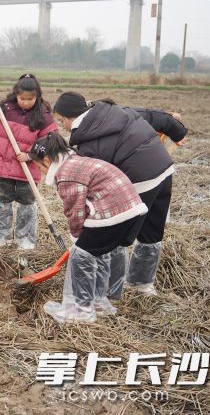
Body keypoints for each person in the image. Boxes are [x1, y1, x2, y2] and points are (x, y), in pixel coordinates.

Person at [53, 92, 174, 297]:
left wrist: (83, 231)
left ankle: (111, 292)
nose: (62, 127)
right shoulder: (113, 110)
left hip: (139, 180)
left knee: (118, 235)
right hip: (164, 170)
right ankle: (141, 284)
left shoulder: (88, 141)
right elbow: (157, 117)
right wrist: (178, 132)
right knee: (151, 231)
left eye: (61, 121)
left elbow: (96, 184)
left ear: (68, 118)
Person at [29, 133, 147, 324]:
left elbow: (75, 211)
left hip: (113, 213)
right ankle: (99, 303)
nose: (41, 172)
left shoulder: (67, 174)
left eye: (39, 167)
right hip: (132, 210)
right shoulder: (75, 161)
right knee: (98, 253)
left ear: (47, 160)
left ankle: (81, 311)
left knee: (82, 256)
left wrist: (77, 239)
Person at [0, 73, 57, 250]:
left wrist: (31, 155)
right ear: (16, 94)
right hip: (3, 166)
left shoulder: (43, 115)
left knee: (27, 204)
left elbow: (50, 141)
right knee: (3, 201)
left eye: (31, 99)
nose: (26, 102)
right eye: (22, 98)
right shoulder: (5, 108)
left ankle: (26, 239)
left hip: (27, 169)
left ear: (37, 96)